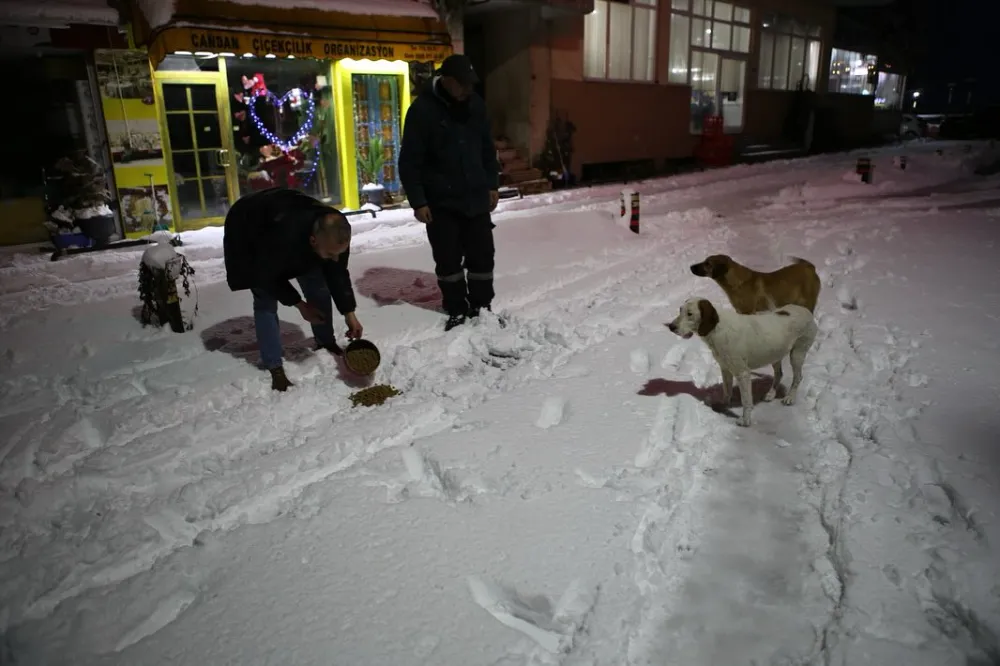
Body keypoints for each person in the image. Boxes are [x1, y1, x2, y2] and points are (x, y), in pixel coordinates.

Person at [398, 53, 502, 332]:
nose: (469, 90)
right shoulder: (422, 111)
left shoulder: (476, 106)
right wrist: (418, 201)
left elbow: (486, 150)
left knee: (483, 256)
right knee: (448, 259)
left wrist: (492, 183)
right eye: (464, 84)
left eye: (471, 85)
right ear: (446, 80)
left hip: (476, 197)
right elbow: (409, 161)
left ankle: (482, 306)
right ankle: (456, 307)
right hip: (441, 202)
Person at [223, 187, 364, 391]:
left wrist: (349, 312)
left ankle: (325, 341)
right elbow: (267, 276)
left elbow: (337, 272)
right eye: (330, 253)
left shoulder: (336, 230)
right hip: (249, 227)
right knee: (265, 301)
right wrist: (300, 305)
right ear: (313, 241)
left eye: (338, 253)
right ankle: (274, 366)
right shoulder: (280, 237)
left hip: (287, 214)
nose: (335, 258)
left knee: (318, 284)